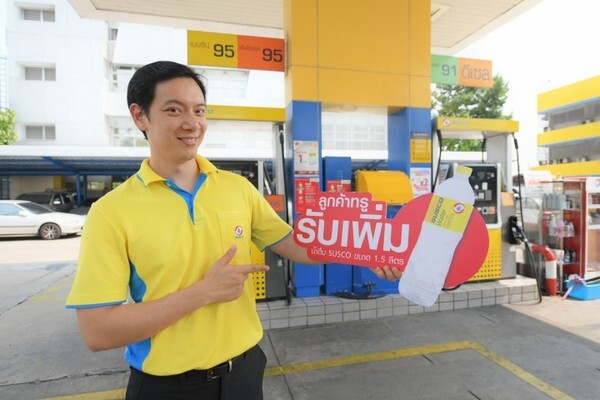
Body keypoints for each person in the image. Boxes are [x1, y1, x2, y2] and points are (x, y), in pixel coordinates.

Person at [66, 60, 401, 400]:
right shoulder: (110, 212)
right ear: (139, 116)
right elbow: (97, 331)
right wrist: (202, 293)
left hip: (243, 374)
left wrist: (364, 250)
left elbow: (296, 244)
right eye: (173, 109)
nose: (191, 123)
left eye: (199, 110)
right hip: (166, 387)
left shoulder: (237, 188)